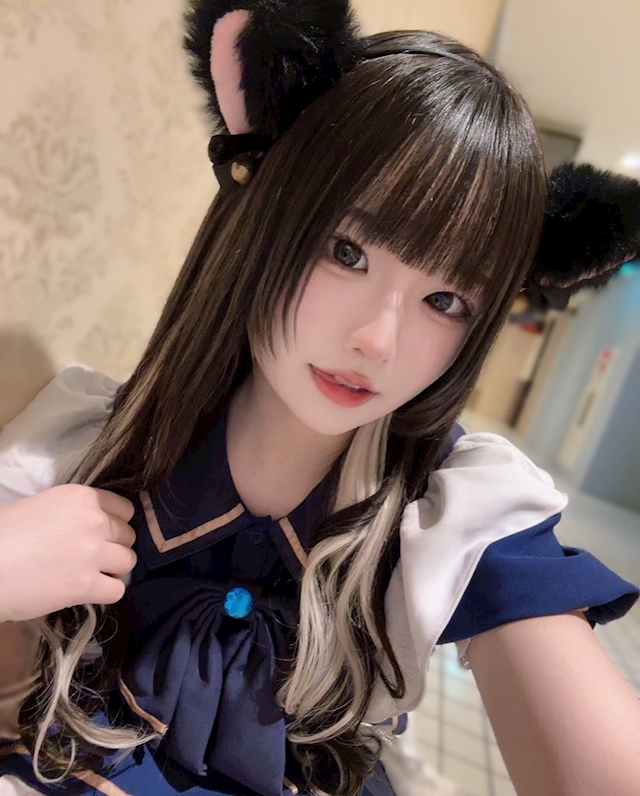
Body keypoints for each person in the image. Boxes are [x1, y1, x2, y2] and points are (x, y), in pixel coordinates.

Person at [0, 2, 639, 795]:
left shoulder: (454, 516)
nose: (377, 340)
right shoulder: (89, 444)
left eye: (446, 301)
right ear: (266, 213)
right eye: (346, 251)